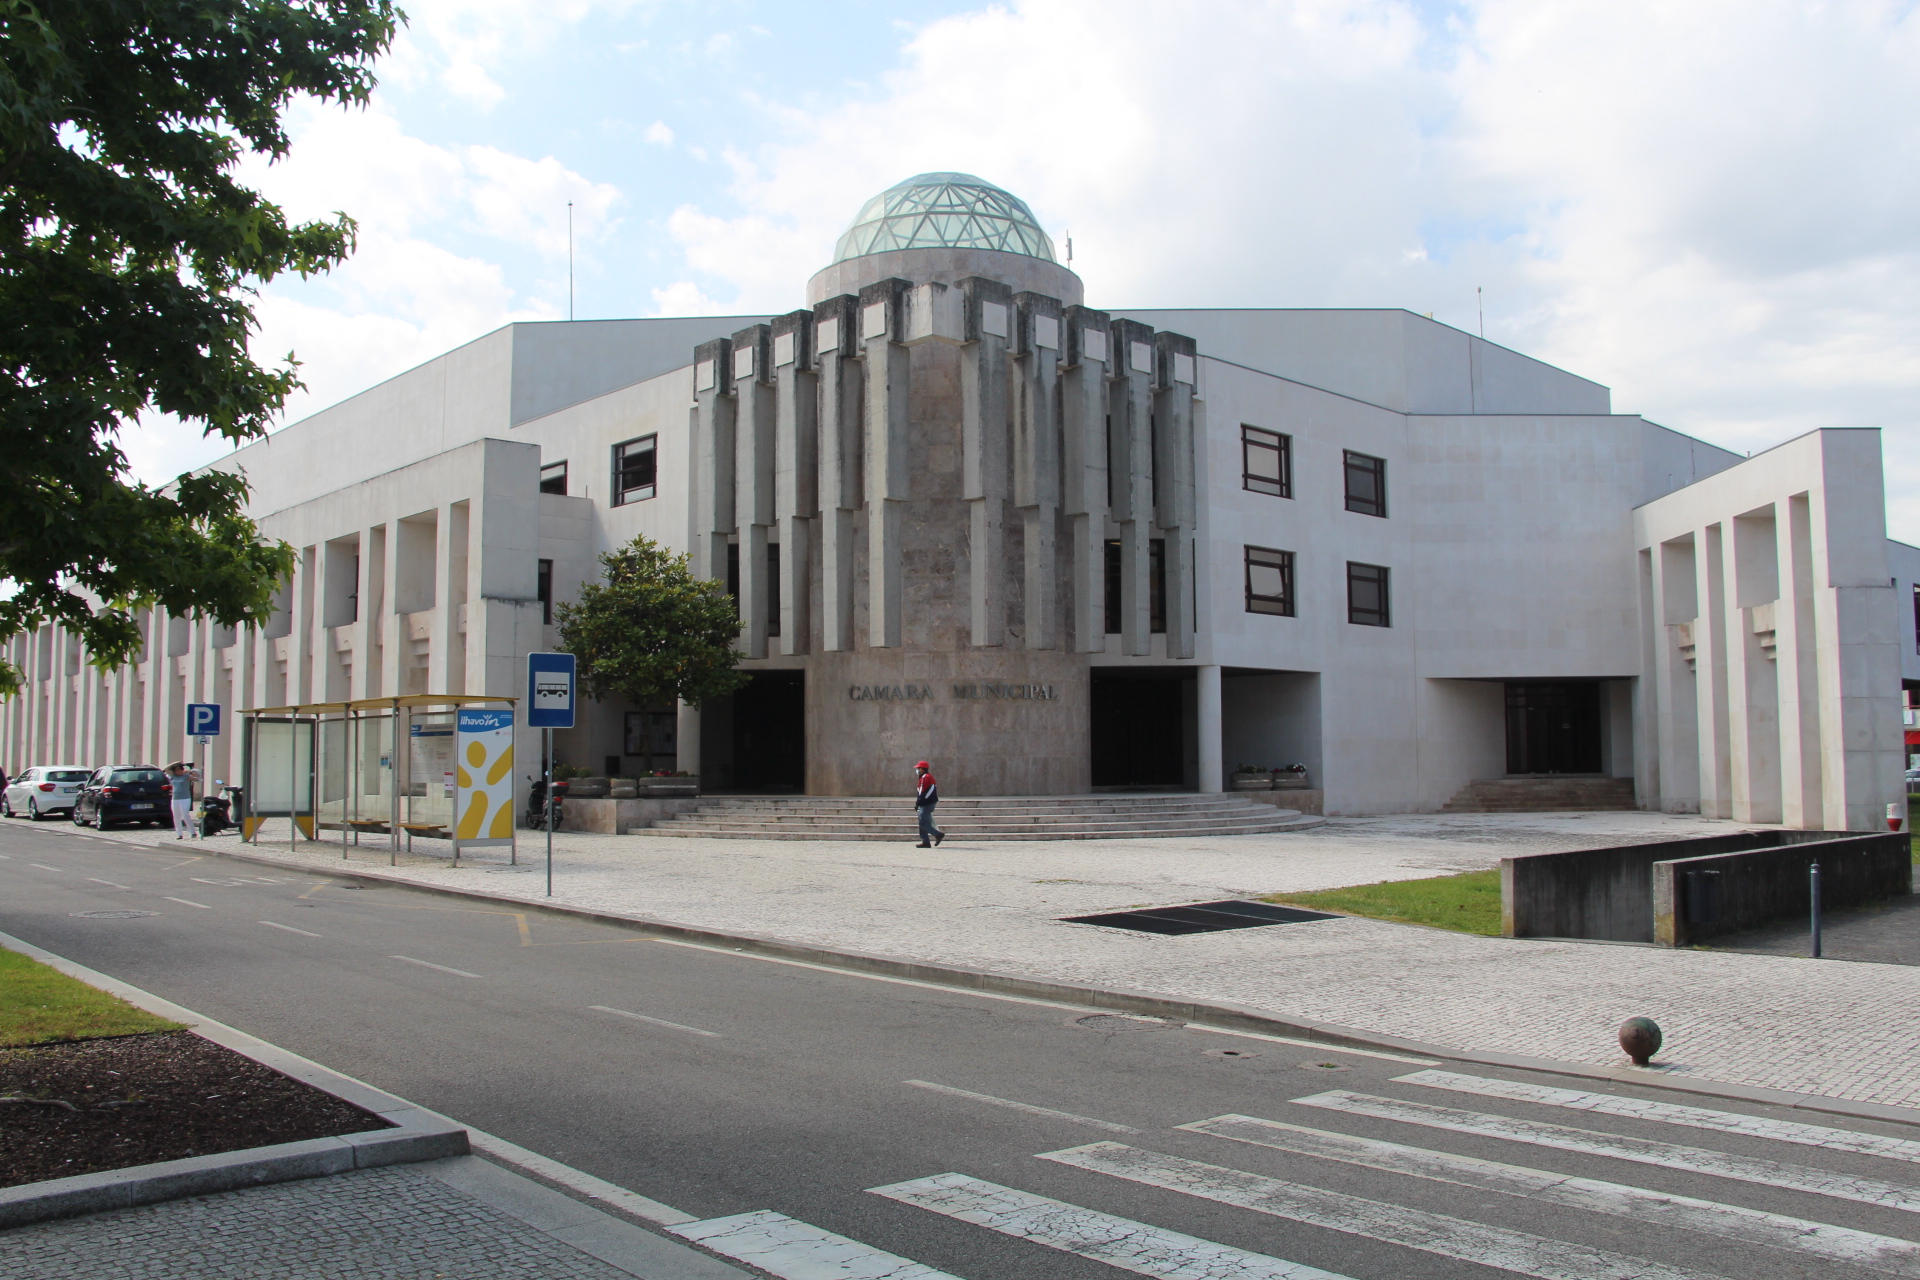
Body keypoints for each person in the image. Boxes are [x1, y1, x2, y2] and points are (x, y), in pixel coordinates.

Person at [913, 761, 944, 848]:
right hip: (927, 802)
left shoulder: (925, 777)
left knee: (923, 822)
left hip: (927, 803)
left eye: (918, 768)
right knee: (922, 821)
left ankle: (938, 834)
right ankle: (925, 841)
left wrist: (918, 803)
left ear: (923, 769)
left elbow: (923, 792)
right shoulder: (926, 777)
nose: (917, 770)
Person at [165, 762, 199, 840]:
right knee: (176, 816)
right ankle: (179, 834)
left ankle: (193, 832)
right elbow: (166, 769)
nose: (177, 771)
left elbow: (198, 777)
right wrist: (176, 763)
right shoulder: (173, 776)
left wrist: (190, 771)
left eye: (179, 770)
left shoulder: (186, 776)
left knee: (185, 815)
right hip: (175, 798)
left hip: (185, 798)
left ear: (182, 770)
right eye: (176, 770)